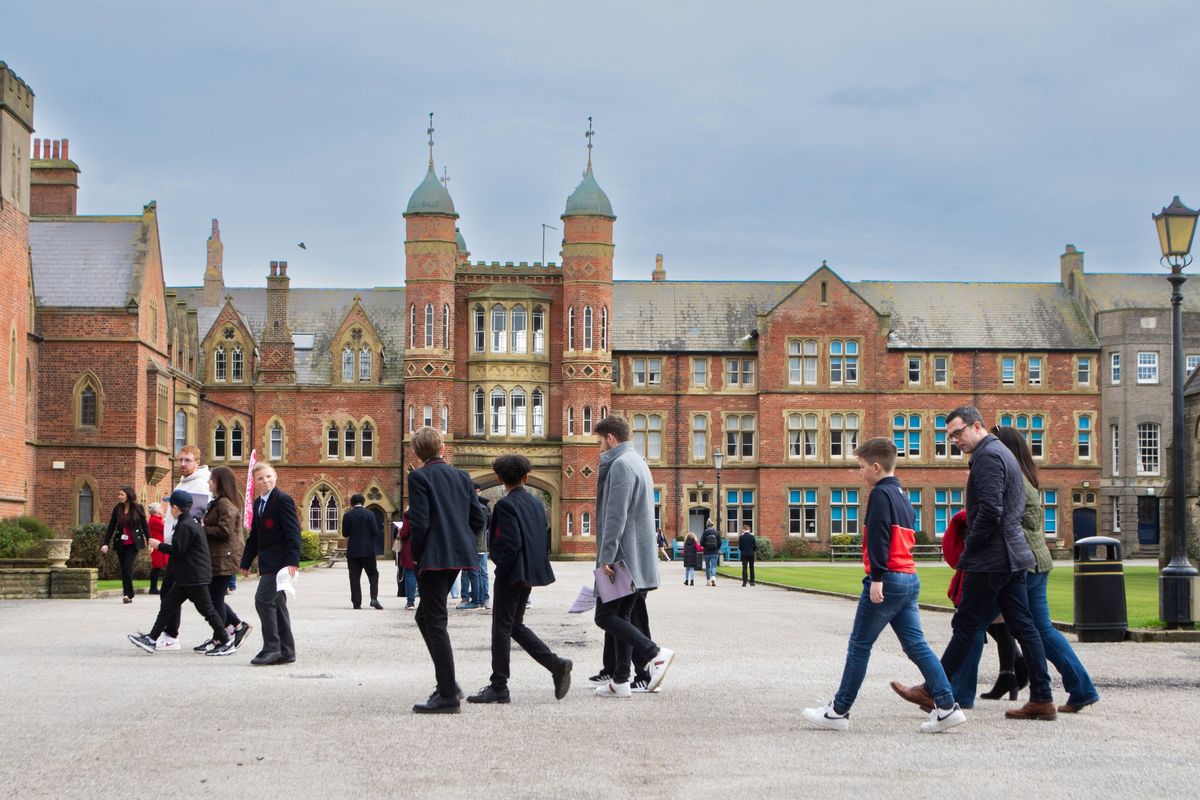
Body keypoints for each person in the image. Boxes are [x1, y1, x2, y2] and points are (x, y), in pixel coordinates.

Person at [890, 405, 1057, 721]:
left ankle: (935, 689)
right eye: (950, 436)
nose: (954, 440)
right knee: (1024, 627)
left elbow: (991, 511)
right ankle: (1042, 697)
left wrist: (970, 552)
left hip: (993, 558)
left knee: (966, 625)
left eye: (958, 433)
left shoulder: (988, 457)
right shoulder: (1002, 453)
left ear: (977, 426)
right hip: (1013, 556)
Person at [802, 438, 965, 733]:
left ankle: (838, 710)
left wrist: (876, 577)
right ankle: (946, 706)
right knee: (917, 646)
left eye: (861, 467)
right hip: (908, 578)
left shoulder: (879, 495)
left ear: (876, 467)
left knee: (859, 646)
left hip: (887, 578)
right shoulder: (902, 494)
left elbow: (878, 537)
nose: (860, 473)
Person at [992, 425, 1100, 714]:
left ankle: (1058, 688)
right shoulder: (1025, 475)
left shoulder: (1013, 479)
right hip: (1038, 561)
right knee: (1042, 630)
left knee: (1023, 628)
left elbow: (1015, 524)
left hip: (1027, 564)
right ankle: (1081, 689)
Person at [467, 455, 572, 704]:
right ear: (526, 477)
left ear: (500, 478)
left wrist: (500, 563)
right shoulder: (535, 503)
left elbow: (507, 543)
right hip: (528, 573)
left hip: (511, 575)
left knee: (501, 630)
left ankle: (499, 685)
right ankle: (556, 665)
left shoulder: (505, 505)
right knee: (515, 626)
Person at [592, 415, 675, 699]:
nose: (600, 448)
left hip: (622, 558)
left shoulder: (621, 465)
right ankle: (621, 681)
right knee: (623, 616)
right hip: (634, 556)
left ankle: (654, 652)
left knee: (604, 616)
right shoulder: (638, 461)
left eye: (600, 442)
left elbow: (615, 516)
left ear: (611, 438)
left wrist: (606, 556)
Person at [407, 426, 487, 714]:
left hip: (435, 556)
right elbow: (477, 518)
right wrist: (462, 538)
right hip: (459, 554)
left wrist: (417, 558)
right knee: (425, 616)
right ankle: (449, 685)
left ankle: (448, 694)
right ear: (442, 448)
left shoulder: (418, 476)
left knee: (435, 621)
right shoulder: (462, 476)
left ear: (417, 453)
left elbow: (421, 522)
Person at [127, 490, 236, 656]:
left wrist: (159, 545)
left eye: (171, 505)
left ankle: (226, 641)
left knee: (207, 611)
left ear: (175, 508)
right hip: (189, 576)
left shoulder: (185, 525)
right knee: (168, 606)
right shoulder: (189, 523)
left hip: (194, 576)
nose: (170, 508)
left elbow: (178, 550)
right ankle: (151, 639)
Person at [239, 462, 302, 666]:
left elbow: (293, 532)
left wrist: (293, 561)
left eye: (268, 476)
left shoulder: (282, 500)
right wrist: (246, 561)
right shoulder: (259, 503)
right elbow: (255, 536)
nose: (265, 481)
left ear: (275, 477)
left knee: (263, 601)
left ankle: (271, 648)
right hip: (268, 563)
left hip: (280, 565)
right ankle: (286, 651)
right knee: (277, 605)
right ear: (255, 482)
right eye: (260, 478)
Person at [156, 445, 212, 649]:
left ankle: (230, 627)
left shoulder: (200, 485)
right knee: (174, 593)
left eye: (187, 460)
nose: (182, 464)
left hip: (186, 549)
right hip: (178, 545)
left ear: (197, 462)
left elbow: (195, 518)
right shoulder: (184, 483)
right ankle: (170, 634)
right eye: (180, 460)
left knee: (201, 599)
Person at [195, 466, 252, 652]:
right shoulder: (218, 502)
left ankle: (220, 638)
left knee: (214, 600)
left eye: (211, 479)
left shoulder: (225, 504)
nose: (208, 482)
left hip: (224, 559)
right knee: (212, 599)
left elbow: (224, 531)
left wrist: (202, 529)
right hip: (217, 557)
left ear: (220, 482)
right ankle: (237, 626)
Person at [587, 593, 656, 692]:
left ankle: (645, 673)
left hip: (628, 579)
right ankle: (616, 674)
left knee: (628, 618)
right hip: (628, 580)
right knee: (617, 620)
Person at [101, 486, 148, 604]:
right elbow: (111, 526)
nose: (119, 497)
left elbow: (144, 525)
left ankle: (128, 594)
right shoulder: (117, 508)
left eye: (122, 494)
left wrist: (149, 539)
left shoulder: (138, 508)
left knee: (127, 567)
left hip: (133, 543)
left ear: (128, 495)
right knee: (124, 569)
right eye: (119, 494)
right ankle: (128, 593)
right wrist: (105, 543)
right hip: (120, 542)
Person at [343, 493, 383, 610]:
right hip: (367, 550)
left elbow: (345, 533)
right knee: (373, 575)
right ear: (363, 502)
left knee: (354, 577)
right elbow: (375, 532)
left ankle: (356, 603)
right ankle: (374, 599)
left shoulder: (347, 515)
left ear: (352, 503)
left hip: (353, 551)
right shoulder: (370, 514)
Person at [459, 486, 491, 611]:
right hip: (478, 545)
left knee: (475, 573)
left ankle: (477, 600)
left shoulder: (477, 509)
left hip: (475, 546)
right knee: (477, 573)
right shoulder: (481, 508)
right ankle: (481, 600)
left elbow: (477, 527)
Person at [395, 508, 417, 609]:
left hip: (410, 549)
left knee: (410, 574)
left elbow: (404, 533)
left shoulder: (409, 515)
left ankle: (410, 602)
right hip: (426, 548)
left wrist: (400, 531)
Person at [147, 502, 167, 595]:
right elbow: (164, 529)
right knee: (156, 567)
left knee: (158, 567)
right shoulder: (154, 520)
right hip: (157, 545)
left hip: (159, 544)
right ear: (156, 510)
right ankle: (153, 588)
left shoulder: (156, 519)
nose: (162, 510)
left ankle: (154, 587)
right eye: (160, 508)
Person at [700, 520, 721, 586]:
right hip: (715, 552)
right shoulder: (716, 532)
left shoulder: (705, 532)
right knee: (714, 566)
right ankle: (713, 578)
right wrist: (717, 548)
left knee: (707, 567)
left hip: (706, 552)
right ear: (712, 525)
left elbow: (701, 542)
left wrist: (705, 546)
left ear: (707, 525)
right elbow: (720, 542)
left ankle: (708, 581)